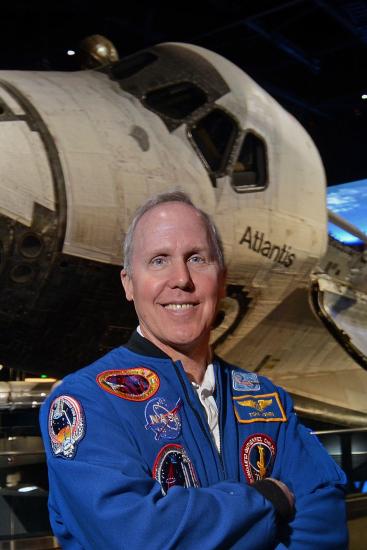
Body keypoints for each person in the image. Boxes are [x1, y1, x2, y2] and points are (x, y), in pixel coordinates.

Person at [40, 191, 348, 549]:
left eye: (197, 259)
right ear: (128, 283)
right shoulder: (84, 402)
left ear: (221, 278)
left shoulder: (267, 401)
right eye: (158, 260)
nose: (181, 279)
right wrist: (266, 499)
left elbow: (323, 523)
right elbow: (137, 537)